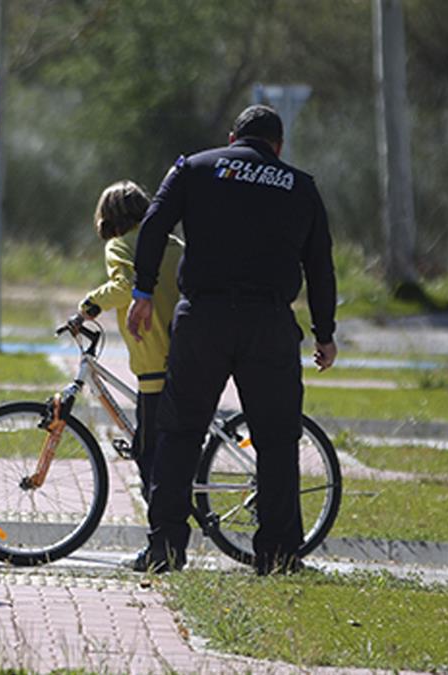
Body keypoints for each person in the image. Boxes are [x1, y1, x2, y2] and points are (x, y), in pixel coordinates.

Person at [127, 105, 337, 575]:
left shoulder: (195, 167)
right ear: (278, 146)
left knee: (180, 431)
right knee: (278, 439)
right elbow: (320, 266)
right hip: (269, 324)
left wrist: (143, 289)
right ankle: (279, 555)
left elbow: (155, 223)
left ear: (231, 138)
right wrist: (325, 333)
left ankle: (165, 548)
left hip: (204, 317)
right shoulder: (300, 186)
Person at [67, 181, 183, 505]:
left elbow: (124, 287)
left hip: (154, 357)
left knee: (147, 452)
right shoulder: (174, 244)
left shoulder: (120, 245)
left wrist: (87, 308)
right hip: (188, 352)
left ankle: (163, 525)